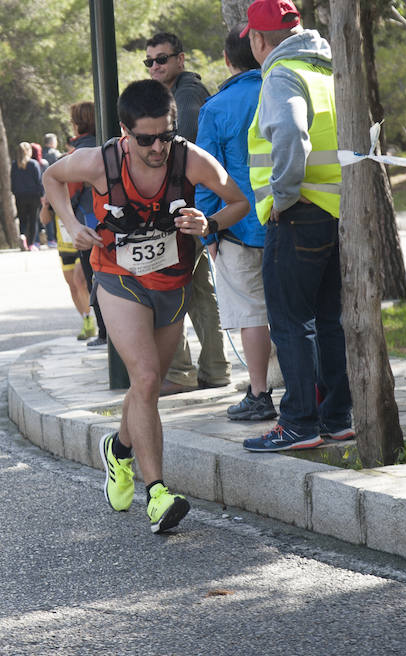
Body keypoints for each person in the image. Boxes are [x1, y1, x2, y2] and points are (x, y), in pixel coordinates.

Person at [43, 79, 249, 533]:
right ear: (124, 131)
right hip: (119, 279)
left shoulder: (190, 159)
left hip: (173, 282)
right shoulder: (100, 162)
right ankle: (157, 492)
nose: (158, 147)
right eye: (146, 139)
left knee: (146, 388)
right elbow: (51, 176)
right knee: (148, 375)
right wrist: (72, 222)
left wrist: (208, 222)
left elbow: (238, 202)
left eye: (166, 135)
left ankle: (118, 448)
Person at [240, 0, 353, 452]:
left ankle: (299, 423)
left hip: (298, 212)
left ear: (257, 38)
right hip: (333, 212)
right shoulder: (325, 71)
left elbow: (289, 133)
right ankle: (337, 417)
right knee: (329, 321)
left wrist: (282, 197)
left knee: (290, 322)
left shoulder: (281, 74)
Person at [196, 26, 276, 421]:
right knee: (296, 314)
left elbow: (208, 176)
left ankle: (260, 393)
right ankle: (309, 391)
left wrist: (209, 230)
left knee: (250, 315)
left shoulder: (215, 107)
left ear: (227, 59)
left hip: (237, 229)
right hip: (285, 221)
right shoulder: (282, 91)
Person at [145, 32, 231, 395]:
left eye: (161, 59)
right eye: (149, 61)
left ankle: (179, 372)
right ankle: (214, 370)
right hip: (194, 207)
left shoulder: (187, 94)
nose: (155, 66)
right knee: (198, 291)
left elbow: (184, 148)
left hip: (186, 209)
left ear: (180, 59)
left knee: (167, 287)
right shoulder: (177, 93)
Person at [68, 101, 108, 349]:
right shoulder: (108, 145)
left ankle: (104, 332)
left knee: (96, 280)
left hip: (88, 226)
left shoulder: (77, 154)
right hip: (113, 222)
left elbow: (70, 191)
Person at [40, 185, 96, 341]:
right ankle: (86, 320)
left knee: (80, 281)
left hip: (80, 243)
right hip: (64, 246)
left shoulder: (81, 188)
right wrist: (45, 206)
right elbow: (45, 219)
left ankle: (93, 319)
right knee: (72, 287)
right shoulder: (53, 191)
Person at [10, 141, 44, 252]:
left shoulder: (14, 165)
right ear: (28, 151)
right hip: (33, 195)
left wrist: (15, 193)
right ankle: (31, 244)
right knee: (33, 220)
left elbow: (12, 182)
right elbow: (39, 181)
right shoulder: (33, 164)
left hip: (20, 196)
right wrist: (42, 195)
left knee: (22, 219)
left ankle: (23, 235)